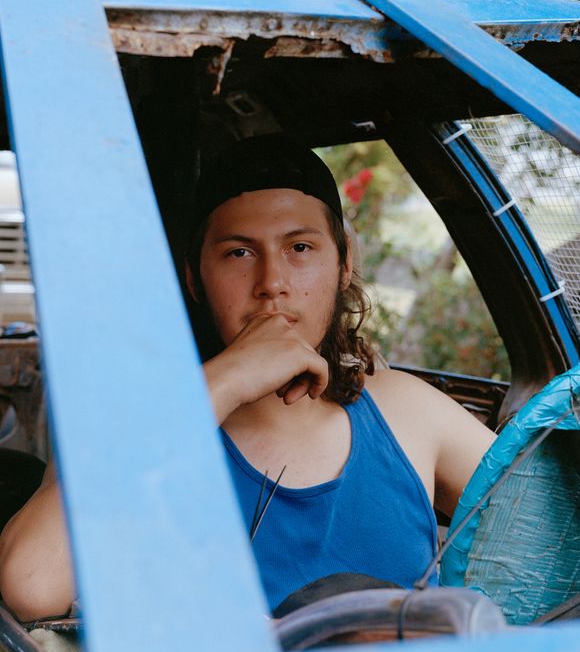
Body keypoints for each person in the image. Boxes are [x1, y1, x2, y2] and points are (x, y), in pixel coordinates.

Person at [0, 136, 495, 620]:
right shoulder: (140, 424)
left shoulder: (406, 410)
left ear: (344, 264)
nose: (271, 284)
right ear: (195, 278)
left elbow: (556, 533)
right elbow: (31, 584)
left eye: (300, 247)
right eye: (239, 253)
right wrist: (230, 378)